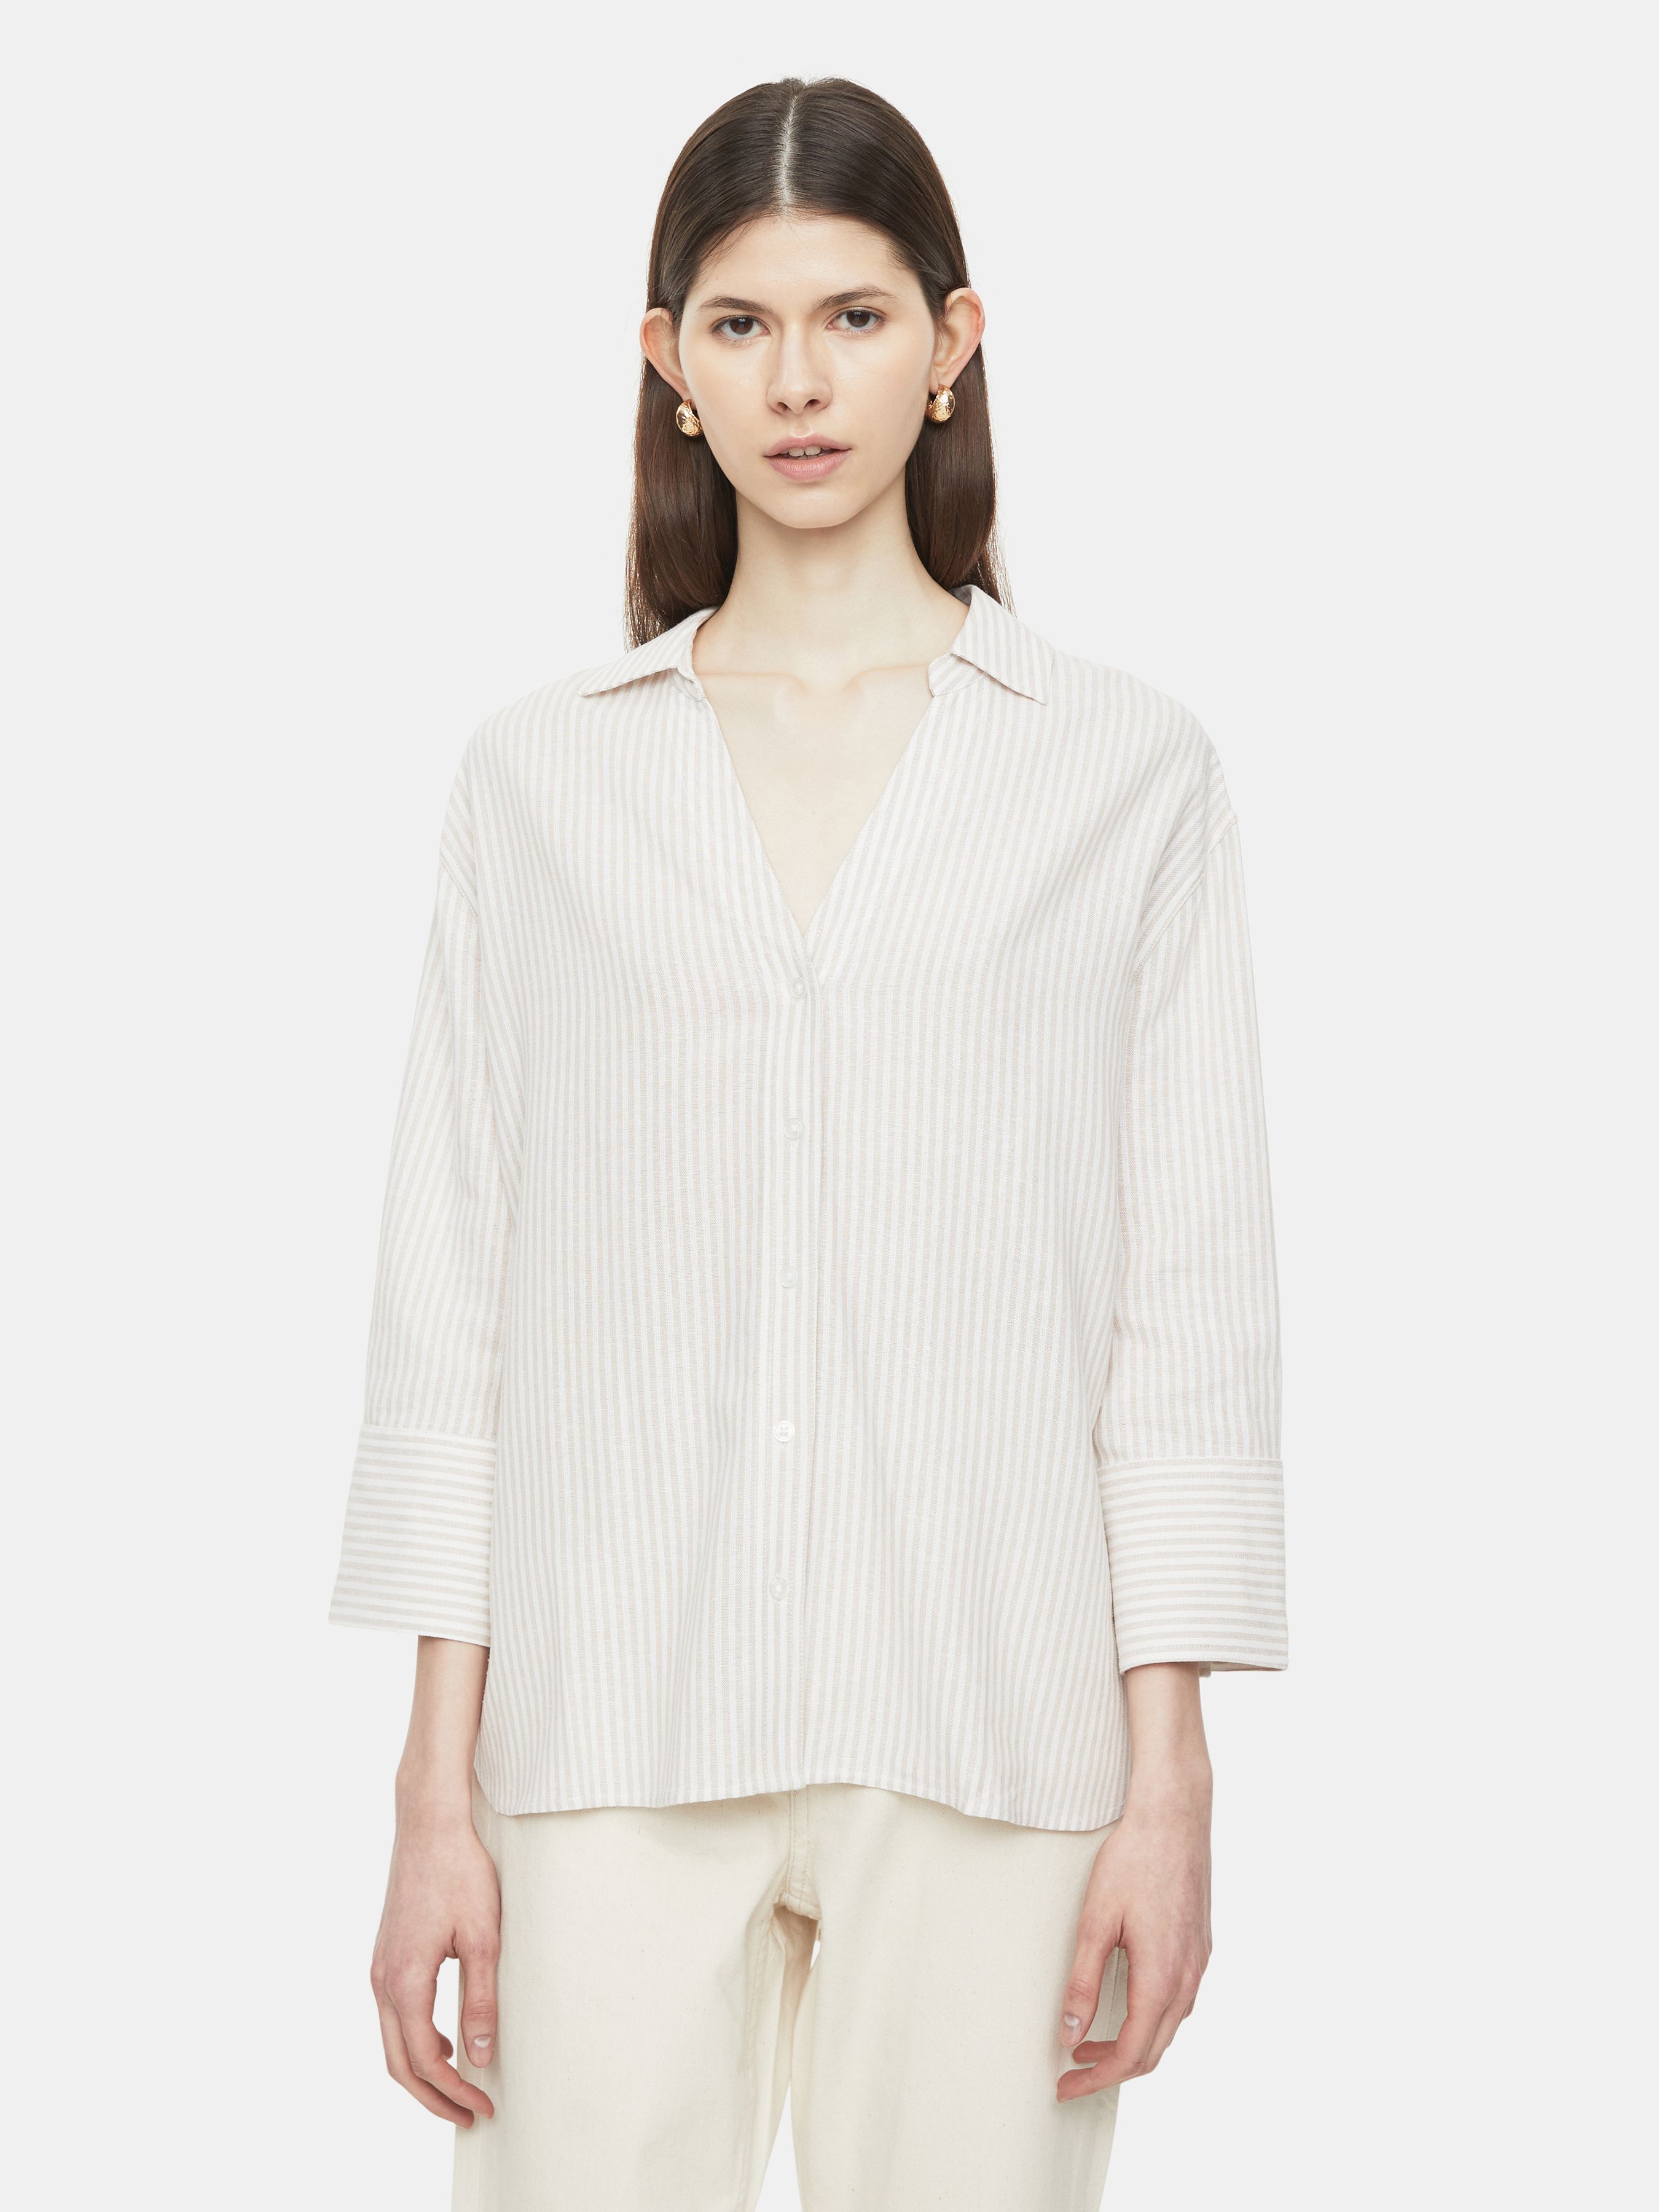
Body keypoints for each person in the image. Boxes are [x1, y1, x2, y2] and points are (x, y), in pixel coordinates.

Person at [330, 74, 1288, 2212]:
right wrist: (428, 1795)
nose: (798, 383)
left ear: (951, 343)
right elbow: (453, 1304)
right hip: (606, 1716)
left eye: (852, 318)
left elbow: (1186, 1313)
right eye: (743, 325)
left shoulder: (1121, 775)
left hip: (990, 1717)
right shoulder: (542, 784)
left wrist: (1168, 1781)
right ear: (665, 362)